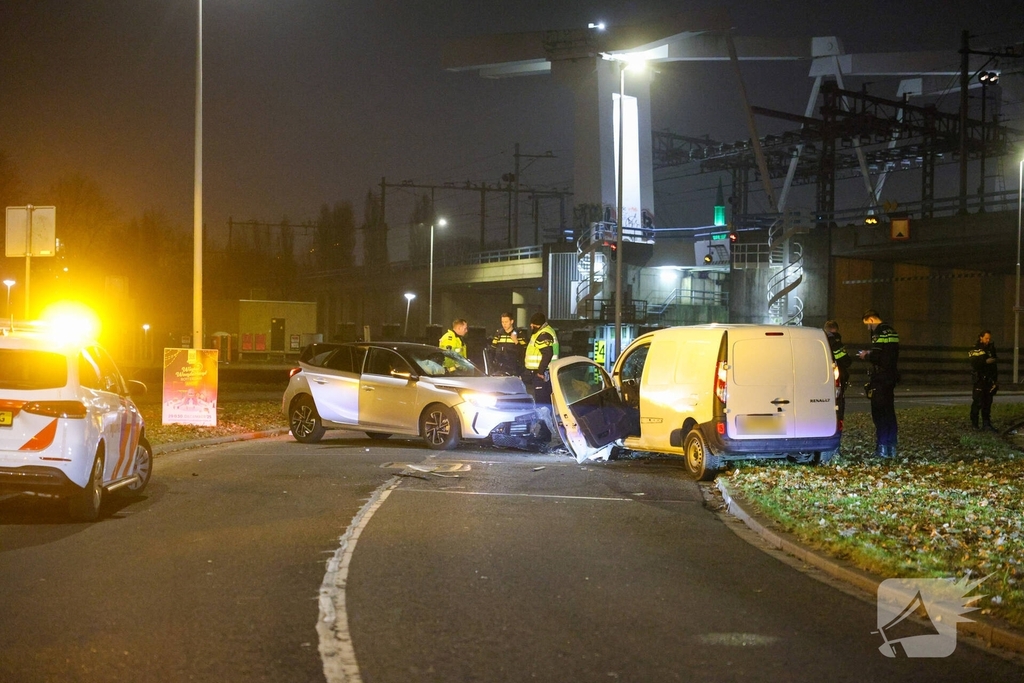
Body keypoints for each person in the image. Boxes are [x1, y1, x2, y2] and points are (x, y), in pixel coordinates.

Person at [856, 309, 900, 458]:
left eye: (867, 324)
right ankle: (891, 448)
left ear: (871, 320)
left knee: (879, 413)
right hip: (891, 376)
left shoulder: (878, 333)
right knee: (889, 412)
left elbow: (878, 356)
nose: (868, 328)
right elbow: (888, 353)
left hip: (880, 378)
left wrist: (866, 355)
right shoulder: (891, 331)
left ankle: (881, 448)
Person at [524, 312, 559, 434]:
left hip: (542, 374)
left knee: (542, 404)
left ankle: (545, 433)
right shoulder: (545, 331)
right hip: (545, 372)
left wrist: (540, 371)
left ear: (536, 324)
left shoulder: (543, 334)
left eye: (532, 324)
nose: (530, 326)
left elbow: (547, 353)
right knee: (543, 403)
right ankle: (544, 431)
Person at [968, 329, 999, 432]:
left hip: (989, 380)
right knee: (977, 402)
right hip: (979, 380)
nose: (988, 340)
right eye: (986, 338)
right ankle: (974, 424)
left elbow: (994, 365)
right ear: (981, 337)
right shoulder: (975, 349)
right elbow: (975, 364)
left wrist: (995, 381)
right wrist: (986, 362)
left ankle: (987, 424)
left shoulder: (990, 348)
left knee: (987, 403)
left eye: (989, 338)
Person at [824, 320, 852, 422]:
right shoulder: (835, 341)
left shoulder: (821, 340)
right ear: (834, 329)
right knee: (838, 402)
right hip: (837, 375)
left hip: (823, 376)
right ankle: (837, 423)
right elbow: (845, 361)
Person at [489, 312, 526, 376]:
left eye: (506, 322)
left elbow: (523, 351)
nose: (504, 324)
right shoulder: (498, 334)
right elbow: (492, 350)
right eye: (502, 322)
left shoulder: (519, 334)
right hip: (499, 368)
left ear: (511, 321)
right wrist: (492, 364)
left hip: (514, 368)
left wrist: (516, 341)